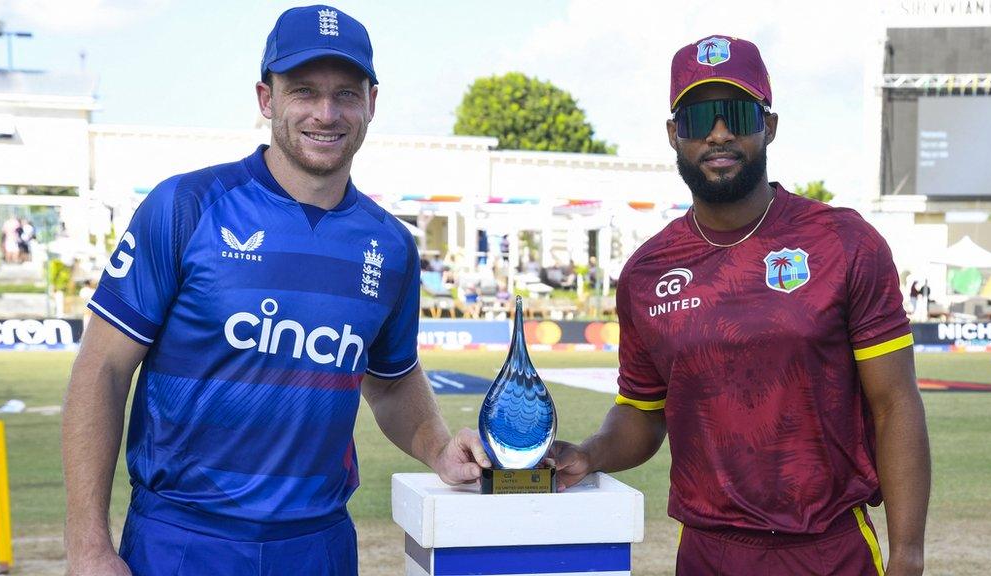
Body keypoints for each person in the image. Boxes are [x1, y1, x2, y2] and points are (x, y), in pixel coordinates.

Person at [61, 6, 490, 575]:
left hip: (318, 546)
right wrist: (88, 548)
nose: (326, 113)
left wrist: (438, 446)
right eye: (304, 91)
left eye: (345, 94)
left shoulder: (391, 246)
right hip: (183, 541)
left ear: (372, 103)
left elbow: (389, 382)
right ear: (266, 99)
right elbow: (103, 370)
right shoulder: (185, 207)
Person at [551, 35, 930, 576]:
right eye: (698, 118)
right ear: (673, 135)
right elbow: (640, 412)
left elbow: (895, 403)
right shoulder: (646, 273)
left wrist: (909, 554)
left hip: (831, 549)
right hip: (709, 553)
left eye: (736, 113)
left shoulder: (844, 241)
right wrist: (590, 453)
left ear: (768, 126)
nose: (719, 133)